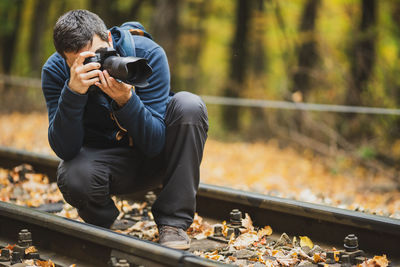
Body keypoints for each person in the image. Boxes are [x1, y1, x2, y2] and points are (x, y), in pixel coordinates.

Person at [41, 9, 208, 250]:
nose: (94, 64)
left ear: (109, 38)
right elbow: (65, 149)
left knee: (189, 105)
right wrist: (73, 92)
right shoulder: (55, 71)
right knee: (72, 174)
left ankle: (173, 224)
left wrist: (127, 102)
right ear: (64, 59)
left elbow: (155, 143)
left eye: (98, 54)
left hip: (158, 158)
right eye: (81, 61)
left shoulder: (147, 54)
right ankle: (105, 222)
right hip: (107, 165)